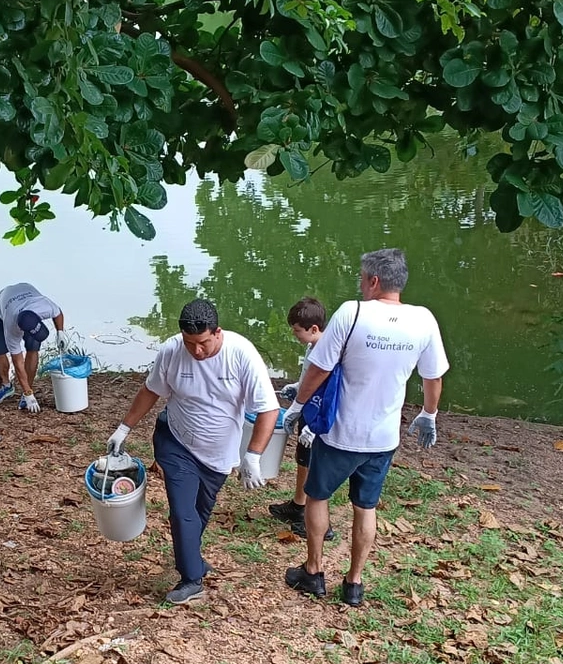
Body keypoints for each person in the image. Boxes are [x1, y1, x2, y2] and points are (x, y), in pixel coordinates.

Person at [282, 248, 449, 607]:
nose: (360, 283)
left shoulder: (352, 312)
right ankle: (354, 583)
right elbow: (433, 376)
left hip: (340, 433)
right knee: (365, 507)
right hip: (383, 438)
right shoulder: (423, 320)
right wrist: (429, 413)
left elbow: (319, 368)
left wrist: (297, 406)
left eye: (362, 277)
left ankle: (313, 571)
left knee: (318, 496)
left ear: (373, 281)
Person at [106, 299, 279, 605]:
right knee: (183, 512)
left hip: (218, 452)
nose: (196, 351)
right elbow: (151, 391)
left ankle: (192, 560)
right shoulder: (172, 351)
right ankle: (191, 579)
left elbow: (268, 409)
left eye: (202, 343)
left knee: (200, 512)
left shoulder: (241, 354)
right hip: (176, 440)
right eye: (189, 343)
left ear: (217, 333)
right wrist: (124, 428)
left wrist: (253, 455)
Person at [269, 297, 336, 542]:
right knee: (303, 459)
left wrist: (316, 428)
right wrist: (298, 387)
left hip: (319, 417)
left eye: (297, 330)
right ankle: (299, 506)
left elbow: (330, 393)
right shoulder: (312, 346)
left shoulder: (330, 350)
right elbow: (311, 377)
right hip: (307, 410)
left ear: (314, 329)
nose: (295, 335)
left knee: (318, 467)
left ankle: (322, 525)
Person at [0, 282, 64, 413]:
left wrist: (60, 332)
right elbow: (18, 363)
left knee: (33, 349)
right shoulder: (11, 326)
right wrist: (29, 394)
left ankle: (28, 389)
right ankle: (6, 386)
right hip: (4, 307)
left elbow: (58, 313)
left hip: (27, 293)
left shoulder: (44, 306)